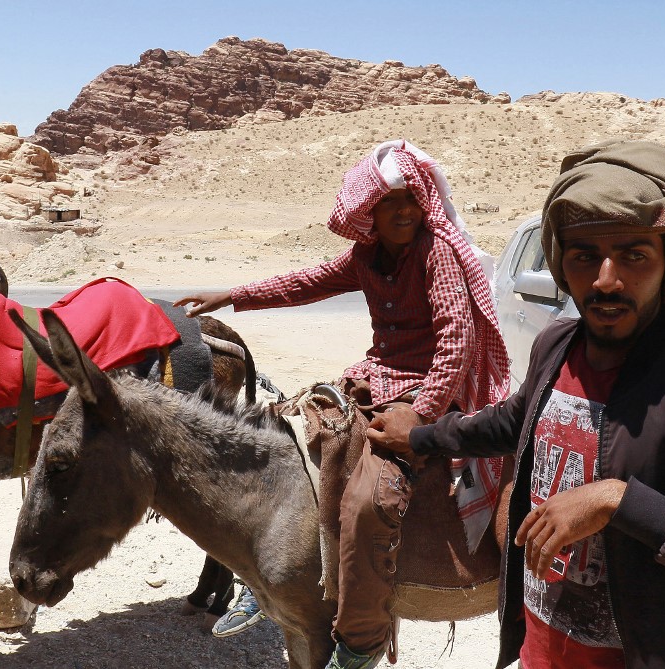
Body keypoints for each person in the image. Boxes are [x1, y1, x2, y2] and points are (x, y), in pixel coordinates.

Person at [374, 139, 665, 669]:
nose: (607, 280)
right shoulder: (557, 344)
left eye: (634, 255)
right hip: (543, 644)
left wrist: (615, 500)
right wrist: (420, 436)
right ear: (562, 263)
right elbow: (513, 422)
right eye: (586, 256)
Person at [175, 139, 510, 667]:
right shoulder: (366, 257)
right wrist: (233, 295)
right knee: (280, 439)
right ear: (368, 210)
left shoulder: (435, 251)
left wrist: (419, 418)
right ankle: (261, 578)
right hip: (375, 378)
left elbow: (457, 341)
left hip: (427, 391)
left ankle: (360, 639)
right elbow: (304, 284)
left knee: (372, 498)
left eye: (411, 200)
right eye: (389, 201)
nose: (404, 210)